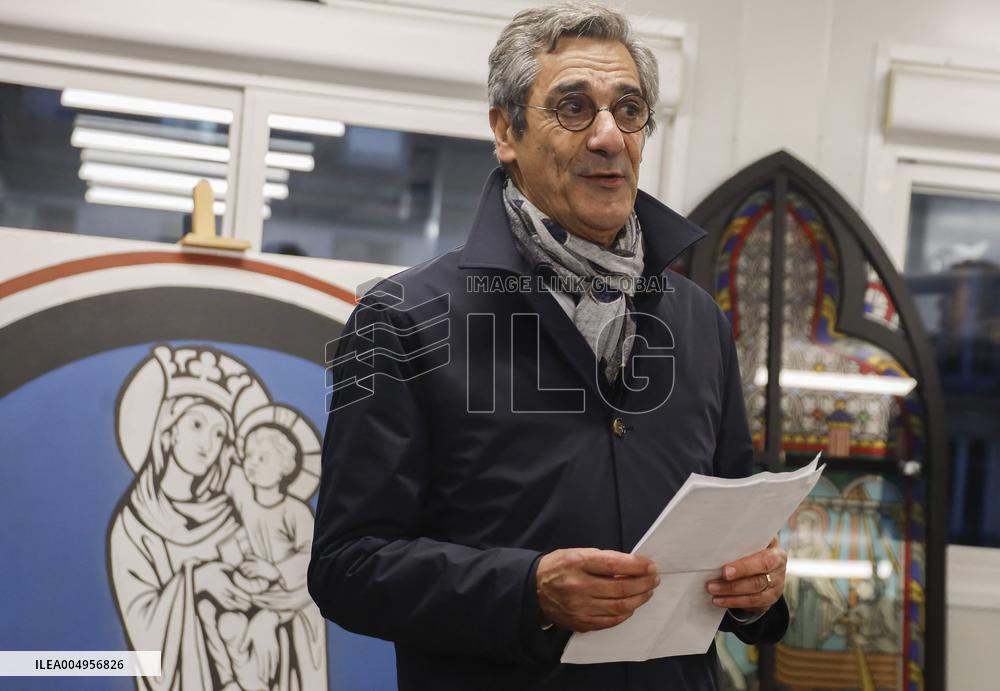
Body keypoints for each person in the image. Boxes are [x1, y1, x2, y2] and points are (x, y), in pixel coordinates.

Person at [309, 4, 789, 689]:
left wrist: (758, 588)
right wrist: (525, 590)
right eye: (573, 107)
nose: (608, 136)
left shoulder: (698, 321)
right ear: (506, 131)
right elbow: (347, 565)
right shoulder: (401, 320)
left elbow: (740, 528)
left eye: (629, 110)